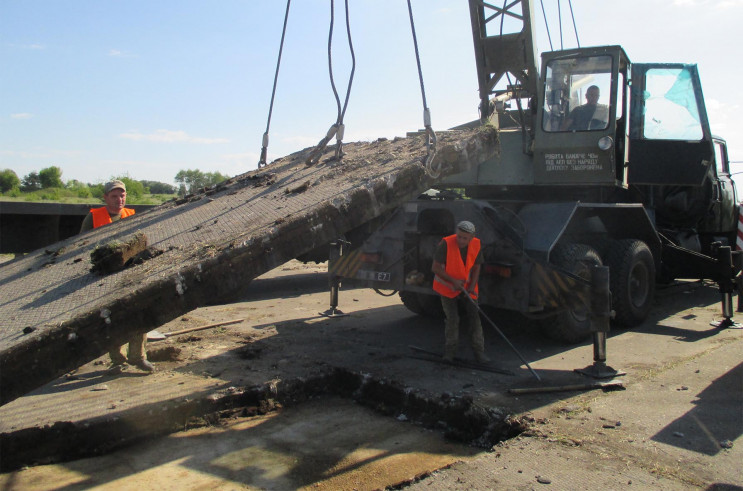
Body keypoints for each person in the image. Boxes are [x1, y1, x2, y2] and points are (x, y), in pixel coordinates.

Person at [80, 180, 154, 374]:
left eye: (122, 195)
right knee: (110, 317)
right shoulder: (93, 218)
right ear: (105, 198)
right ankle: (117, 361)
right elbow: (81, 246)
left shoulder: (132, 215)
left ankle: (138, 357)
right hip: (104, 277)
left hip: (130, 273)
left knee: (138, 313)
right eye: (114, 196)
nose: (119, 199)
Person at [432, 221, 490, 363]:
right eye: (459, 236)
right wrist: (453, 281)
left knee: (474, 318)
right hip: (448, 287)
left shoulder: (476, 244)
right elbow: (435, 268)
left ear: (471, 238)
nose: (461, 240)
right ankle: (449, 353)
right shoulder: (445, 244)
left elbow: (477, 267)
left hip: (468, 287)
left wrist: (472, 286)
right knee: (453, 319)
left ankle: (479, 352)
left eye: (465, 238)